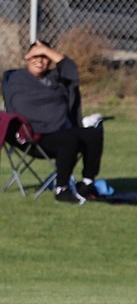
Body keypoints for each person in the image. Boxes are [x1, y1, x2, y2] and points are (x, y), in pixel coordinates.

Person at [3, 40, 104, 204]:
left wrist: (46, 50)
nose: (39, 60)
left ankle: (87, 184)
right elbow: (22, 107)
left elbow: (70, 69)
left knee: (93, 134)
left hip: (59, 130)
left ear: (50, 60)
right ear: (27, 58)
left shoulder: (55, 78)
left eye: (44, 57)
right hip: (33, 136)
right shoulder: (17, 78)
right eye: (35, 56)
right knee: (69, 139)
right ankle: (61, 189)